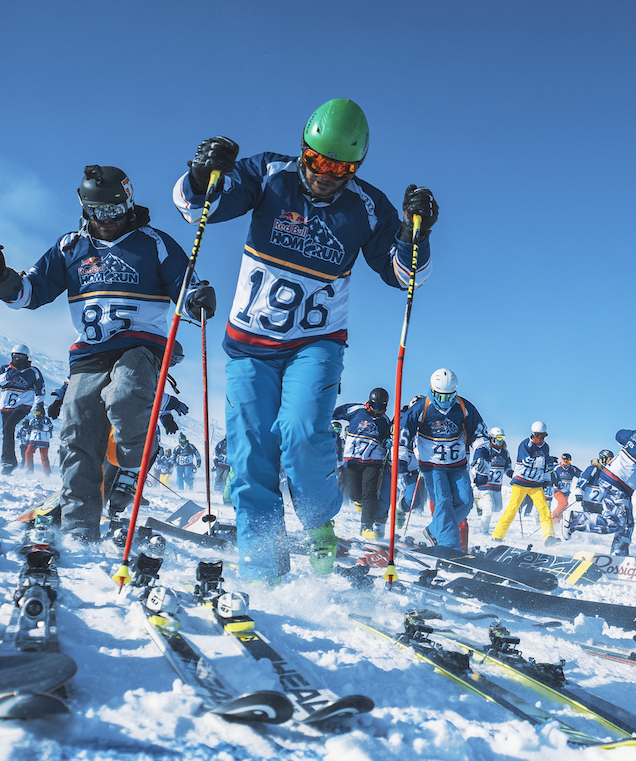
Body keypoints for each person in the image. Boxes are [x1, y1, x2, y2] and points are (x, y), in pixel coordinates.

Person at [173, 100, 437, 582]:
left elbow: (404, 276)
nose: (324, 174)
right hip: (250, 342)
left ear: (355, 167)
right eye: (316, 160)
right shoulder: (270, 174)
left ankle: (318, 522)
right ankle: (263, 566)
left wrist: (412, 235)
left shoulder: (367, 204)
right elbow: (197, 208)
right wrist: (202, 170)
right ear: (303, 149)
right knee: (250, 451)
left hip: (315, 343)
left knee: (299, 430)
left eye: (340, 167)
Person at [0, 164, 208, 541]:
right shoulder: (70, 247)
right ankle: (81, 526)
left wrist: (197, 298)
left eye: (114, 210)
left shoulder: (154, 242)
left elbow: (185, 285)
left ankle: (134, 462)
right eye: (97, 212)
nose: (107, 220)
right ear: (84, 208)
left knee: (127, 395)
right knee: (78, 429)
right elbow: (30, 293)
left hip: (140, 345)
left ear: (128, 203)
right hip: (89, 352)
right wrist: (1, 278)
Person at [400, 369, 486, 550]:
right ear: (432, 390)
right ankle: (450, 547)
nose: (445, 401)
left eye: (449, 396)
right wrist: (402, 456)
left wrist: (481, 453)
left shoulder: (463, 407)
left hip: (458, 465)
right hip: (432, 466)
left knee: (466, 501)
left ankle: (434, 530)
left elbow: (479, 432)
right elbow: (404, 431)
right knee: (443, 501)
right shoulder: (422, 408)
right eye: (440, 396)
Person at [565, 428, 636, 556]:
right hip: (618, 483)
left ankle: (619, 554)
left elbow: (619, 435)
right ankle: (574, 520)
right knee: (614, 522)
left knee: (627, 525)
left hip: (616, 481)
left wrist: (632, 440)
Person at [333, 388, 393, 539]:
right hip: (353, 459)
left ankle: (366, 526)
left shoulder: (384, 421)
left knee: (370, 493)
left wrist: (387, 441)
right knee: (354, 494)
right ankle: (359, 502)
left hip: (373, 461)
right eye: (375, 406)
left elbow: (386, 437)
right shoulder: (356, 410)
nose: (377, 410)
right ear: (369, 403)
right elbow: (335, 412)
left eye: (381, 407)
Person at [491, 422, 558, 545]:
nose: (540, 439)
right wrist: (546, 460)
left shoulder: (545, 447)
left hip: (535, 483)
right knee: (512, 508)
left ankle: (549, 537)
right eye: (537, 435)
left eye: (543, 436)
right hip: (521, 481)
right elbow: (527, 461)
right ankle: (497, 535)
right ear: (532, 434)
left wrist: (548, 474)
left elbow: (543, 467)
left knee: (544, 509)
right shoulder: (525, 444)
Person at [0, 345, 45, 475]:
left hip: (23, 404)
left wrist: (39, 406)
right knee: (6, 431)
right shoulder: (5, 369)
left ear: (26, 357)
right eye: (15, 356)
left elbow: (40, 389)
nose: (17, 358)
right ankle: (10, 461)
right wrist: (7, 376)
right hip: (6, 406)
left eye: (20, 356)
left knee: (9, 426)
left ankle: (8, 461)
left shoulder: (33, 371)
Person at [470, 427, 512, 536]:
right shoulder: (484, 449)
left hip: (497, 485)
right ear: (492, 438)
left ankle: (479, 504)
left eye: (502, 438)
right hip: (484, 484)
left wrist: (511, 474)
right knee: (489, 507)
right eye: (498, 438)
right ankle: (484, 531)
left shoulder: (504, 452)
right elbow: (474, 466)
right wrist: (478, 474)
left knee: (497, 508)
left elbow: (507, 467)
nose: (500, 440)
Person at [549, 453, 582, 530]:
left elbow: (581, 475)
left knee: (563, 506)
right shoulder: (557, 468)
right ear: (562, 460)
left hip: (566, 492)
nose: (567, 464)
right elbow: (549, 472)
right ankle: (553, 519)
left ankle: (558, 520)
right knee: (563, 503)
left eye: (569, 462)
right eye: (566, 462)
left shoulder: (573, 469)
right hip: (557, 490)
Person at [24, 404, 54, 475]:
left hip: (44, 440)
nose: (36, 415)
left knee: (44, 456)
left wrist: (42, 427)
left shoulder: (46, 420)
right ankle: (29, 468)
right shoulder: (32, 421)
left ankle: (47, 472)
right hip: (33, 440)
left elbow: (51, 427)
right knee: (28, 453)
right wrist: (27, 438)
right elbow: (29, 431)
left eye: (38, 413)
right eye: (35, 413)